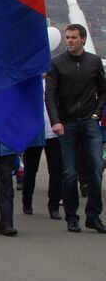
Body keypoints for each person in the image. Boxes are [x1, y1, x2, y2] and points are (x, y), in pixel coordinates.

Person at [45, 24, 106, 233]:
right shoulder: (57, 64)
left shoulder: (94, 62)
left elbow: (103, 90)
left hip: (90, 121)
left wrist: (97, 112)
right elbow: (50, 95)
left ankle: (93, 215)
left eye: (73, 38)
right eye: (67, 38)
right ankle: (72, 217)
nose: (69, 41)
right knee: (70, 172)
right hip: (67, 123)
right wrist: (56, 120)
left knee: (96, 168)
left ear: (83, 39)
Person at [21, 76, 63, 219]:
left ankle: (54, 206)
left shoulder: (56, 82)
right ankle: (27, 201)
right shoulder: (30, 82)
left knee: (56, 170)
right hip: (34, 132)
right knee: (31, 169)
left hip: (54, 132)